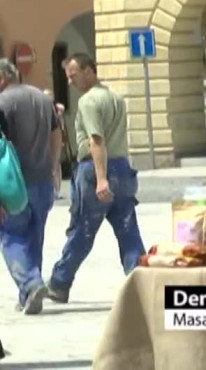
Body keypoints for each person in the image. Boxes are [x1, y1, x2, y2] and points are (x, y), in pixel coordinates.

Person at [48, 53, 146, 304]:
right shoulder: (116, 98)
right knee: (128, 230)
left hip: (95, 168)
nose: (70, 82)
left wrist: (101, 178)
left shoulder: (88, 101)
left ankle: (59, 283)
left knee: (83, 229)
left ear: (89, 71)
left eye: (73, 76)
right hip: (122, 167)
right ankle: (140, 283)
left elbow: (96, 140)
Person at [0, 59, 62, 314]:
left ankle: (31, 283)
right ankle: (28, 294)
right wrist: (54, 167)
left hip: (14, 184)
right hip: (42, 180)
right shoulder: (42, 98)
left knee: (11, 236)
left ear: (2, 77)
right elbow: (57, 134)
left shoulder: (3, 103)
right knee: (35, 236)